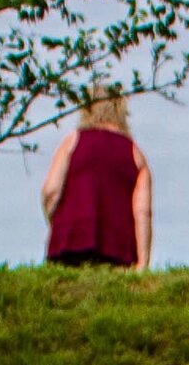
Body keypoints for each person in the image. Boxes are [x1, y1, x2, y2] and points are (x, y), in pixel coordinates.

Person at [41, 87, 151, 269]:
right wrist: (142, 264)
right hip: (118, 251)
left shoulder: (72, 141)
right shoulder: (136, 154)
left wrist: (56, 226)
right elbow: (143, 212)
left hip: (68, 244)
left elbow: (51, 191)